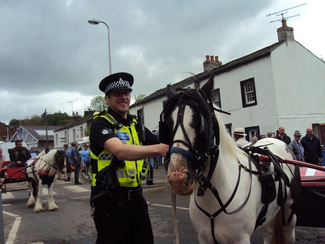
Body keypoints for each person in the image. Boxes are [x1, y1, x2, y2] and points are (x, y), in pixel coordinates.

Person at [89, 72, 169, 244]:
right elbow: (120, 151)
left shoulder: (135, 124)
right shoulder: (100, 124)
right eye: (118, 94)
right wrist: (161, 149)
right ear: (107, 99)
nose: (123, 97)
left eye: (126, 93)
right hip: (109, 201)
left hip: (136, 199)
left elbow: (164, 141)